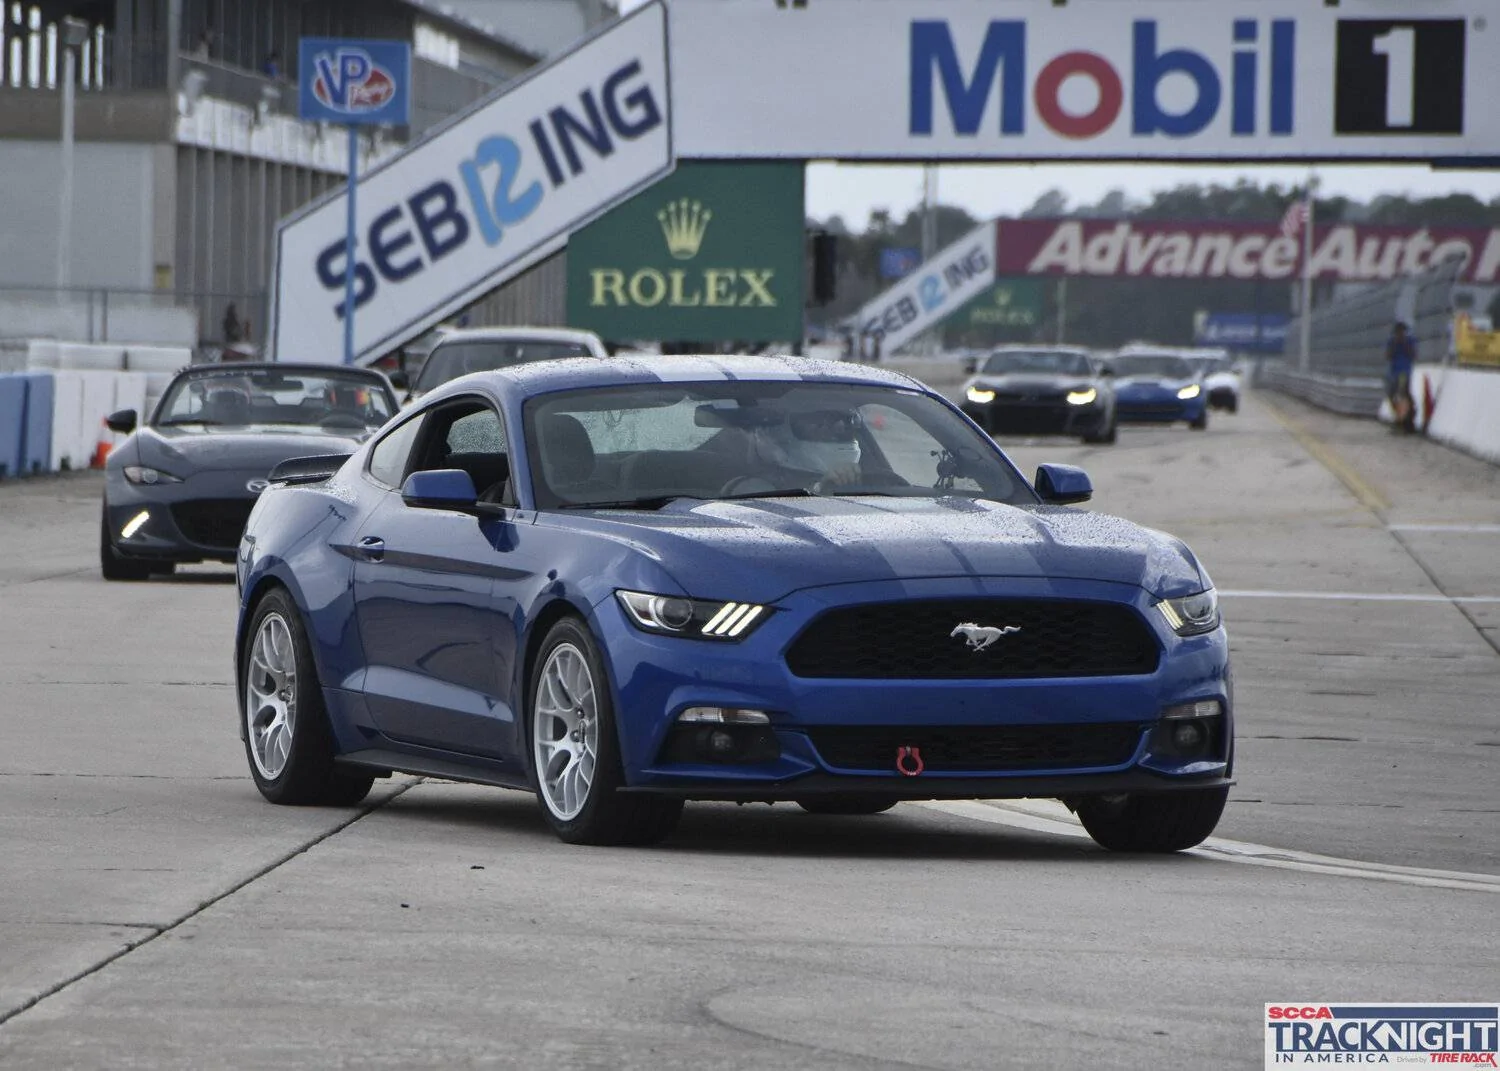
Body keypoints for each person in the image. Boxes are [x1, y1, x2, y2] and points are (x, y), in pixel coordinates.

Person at [1385, 321, 1417, 433]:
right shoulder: (1392, 342)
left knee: (1402, 394)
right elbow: (1387, 356)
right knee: (1392, 395)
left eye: (1401, 332)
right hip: (1394, 372)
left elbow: (1413, 355)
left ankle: (1405, 420)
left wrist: (1404, 344)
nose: (1399, 334)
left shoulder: (1409, 341)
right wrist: (1395, 345)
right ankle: (1400, 417)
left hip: (1404, 371)